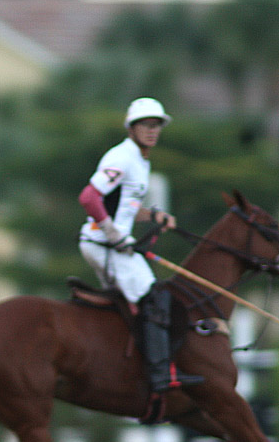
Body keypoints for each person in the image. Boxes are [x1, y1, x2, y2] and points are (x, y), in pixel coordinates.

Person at [77, 97, 203, 393]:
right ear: (131, 128)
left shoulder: (140, 160)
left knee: (133, 305)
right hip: (104, 244)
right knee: (155, 298)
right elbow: (89, 198)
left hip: (110, 243)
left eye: (156, 125)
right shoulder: (122, 157)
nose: (152, 130)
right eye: (146, 125)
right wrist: (113, 234)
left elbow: (123, 206)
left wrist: (154, 216)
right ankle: (161, 376)